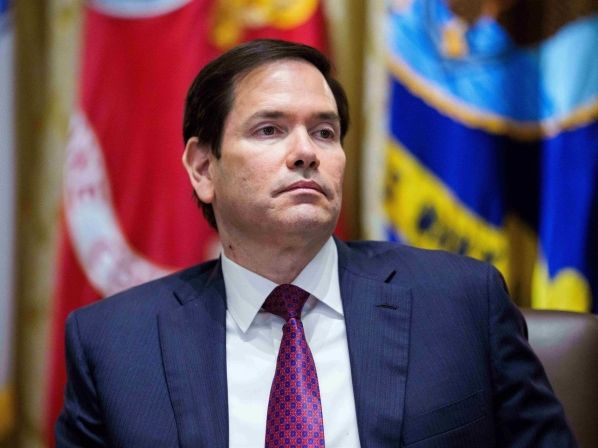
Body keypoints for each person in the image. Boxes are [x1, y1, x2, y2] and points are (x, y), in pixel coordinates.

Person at [56, 39, 576, 447]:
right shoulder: (115, 345)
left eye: (325, 132)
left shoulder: (461, 303)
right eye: (269, 130)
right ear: (203, 168)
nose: (306, 152)